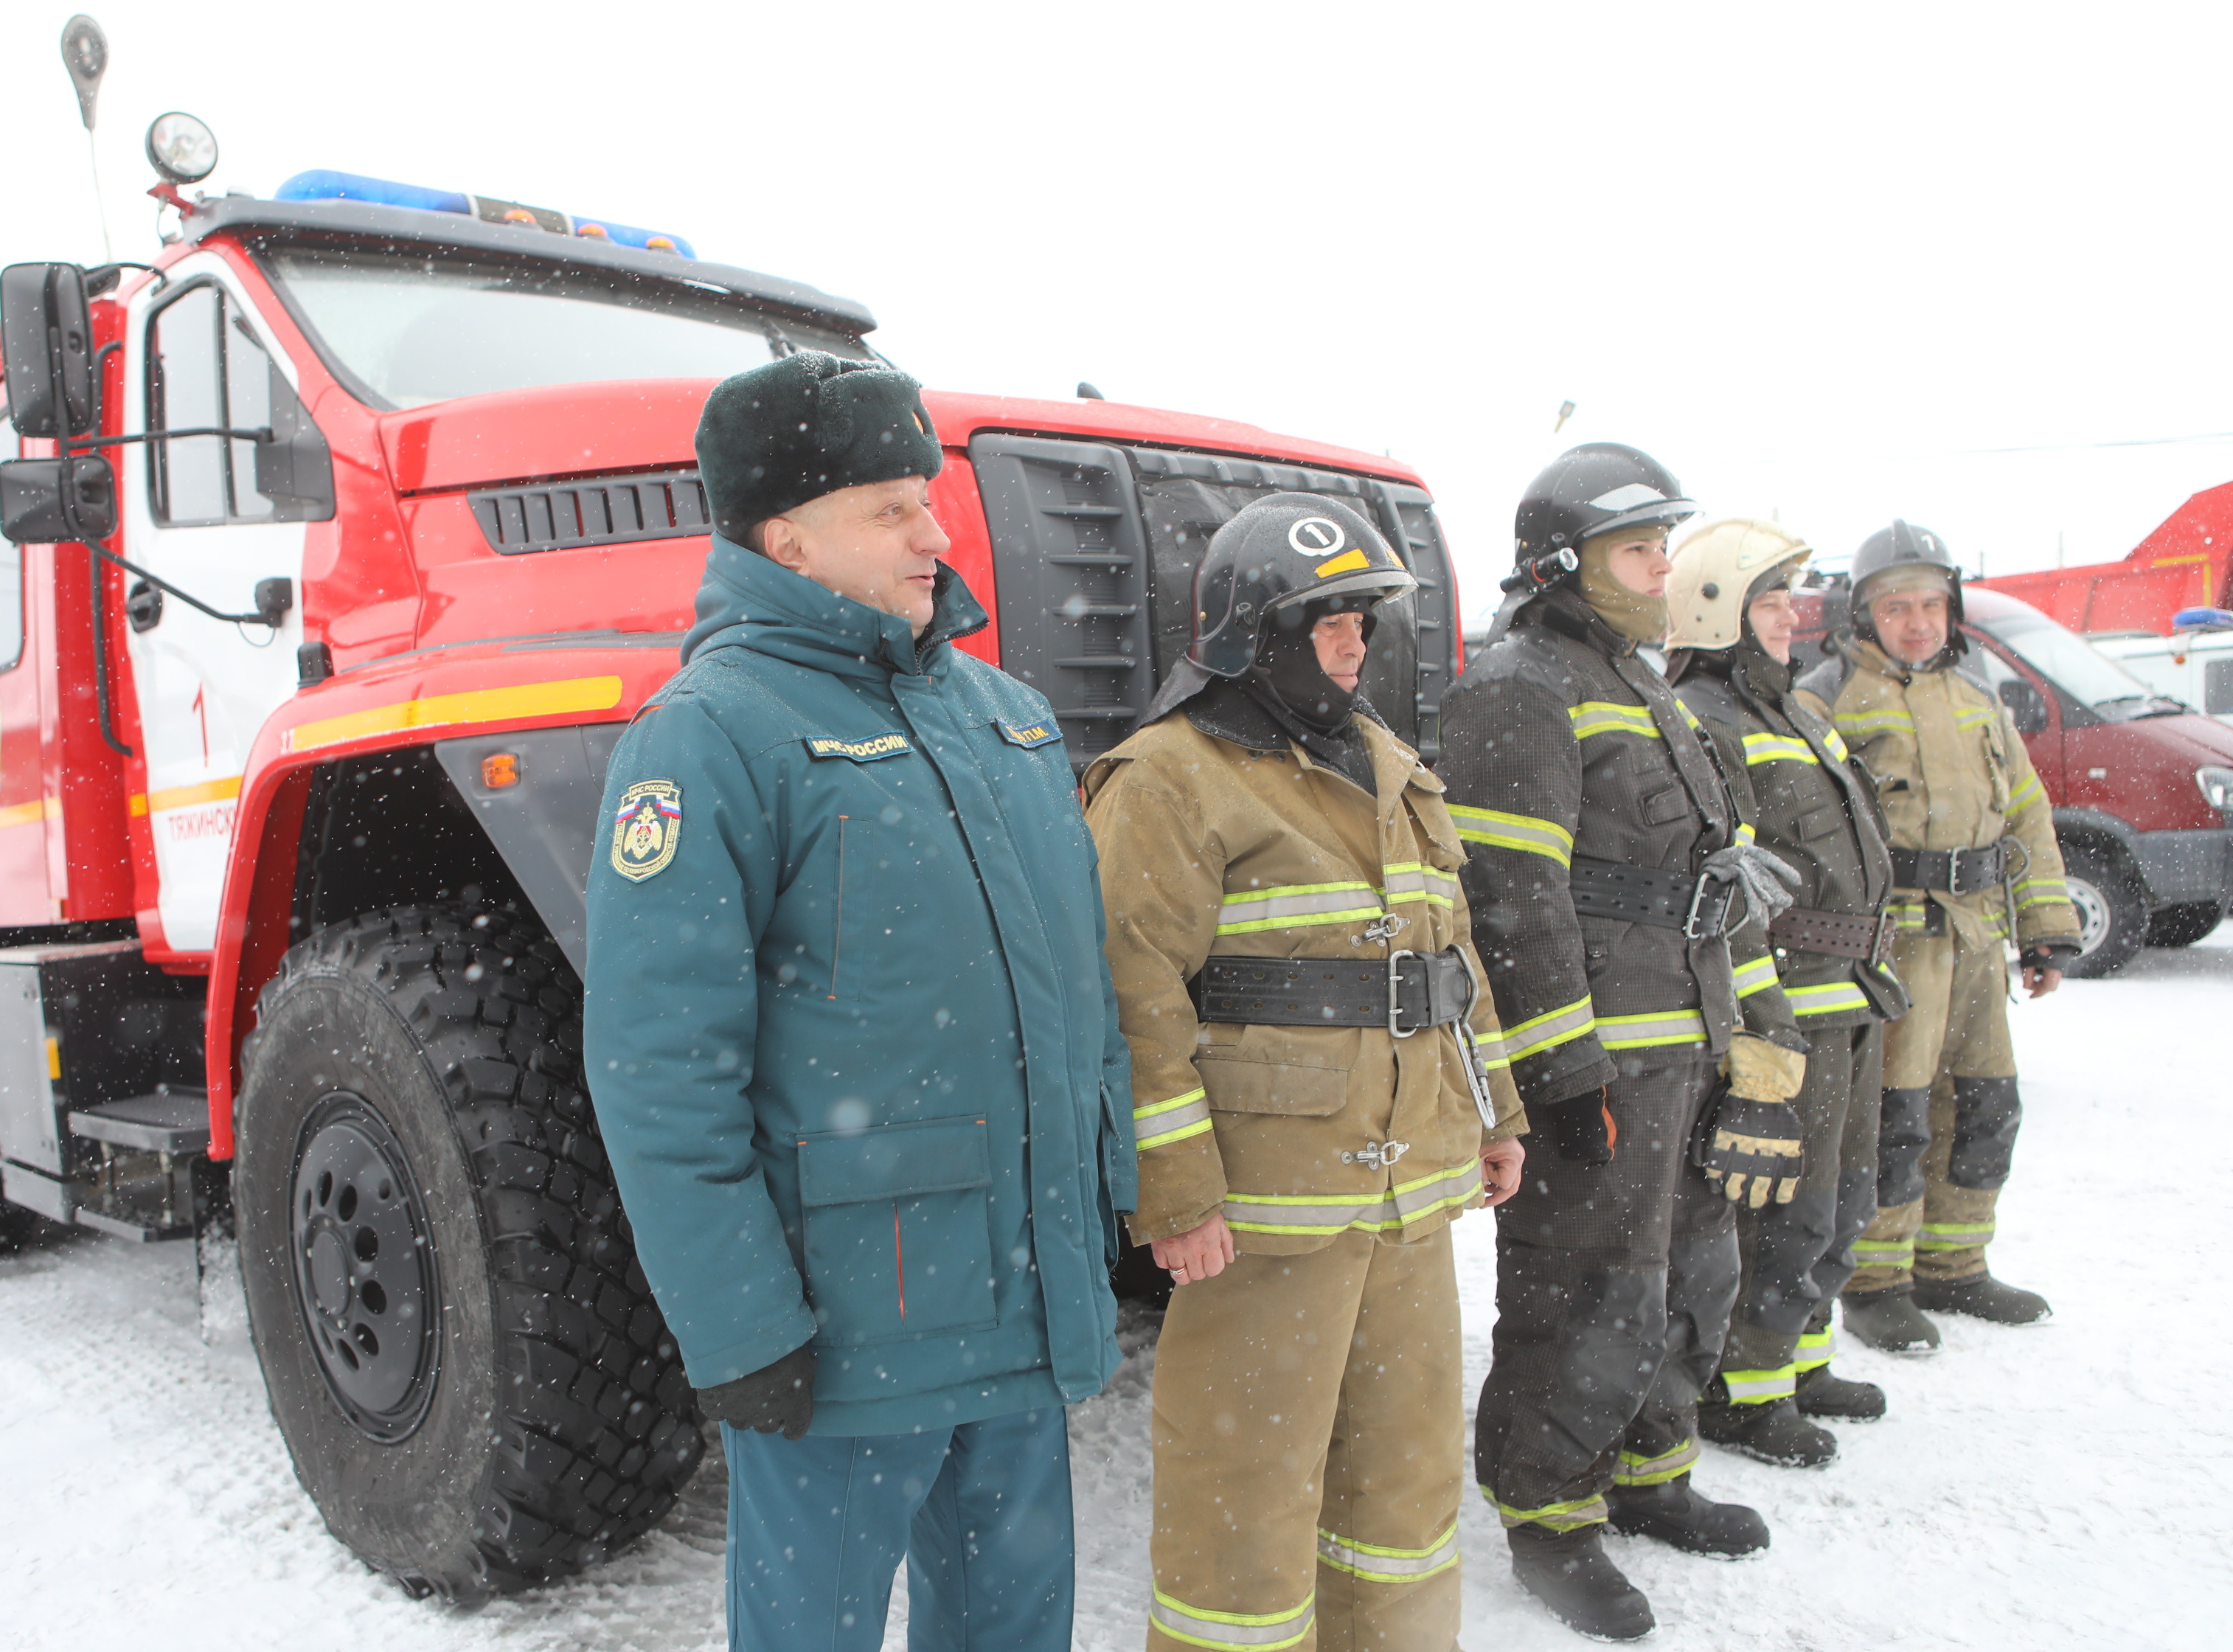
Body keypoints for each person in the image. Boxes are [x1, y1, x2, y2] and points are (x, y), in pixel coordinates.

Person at [582, 353, 1135, 1652]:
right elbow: (660, 1072)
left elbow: (1083, 996)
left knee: (1015, 1632)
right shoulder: (708, 736)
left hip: (1021, 1305)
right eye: (892, 509)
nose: (934, 535)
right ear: (788, 537)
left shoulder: (1007, 719)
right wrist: (741, 1329)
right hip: (844, 1341)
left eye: (926, 501)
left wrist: (1108, 1193)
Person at [1083, 495, 1529, 1652]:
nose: (1354, 642)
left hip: (1410, 1198)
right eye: (1328, 619)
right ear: (1254, 630)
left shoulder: (1388, 763)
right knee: (1241, 1496)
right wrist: (1174, 1197)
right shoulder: (1168, 778)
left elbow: (1450, 962)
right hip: (1265, 1211)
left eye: (1364, 620)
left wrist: (1495, 1113)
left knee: (1405, 1492)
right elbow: (1132, 1002)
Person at [1440, 444, 1810, 1642]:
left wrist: (1753, 1036)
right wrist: (1561, 1076)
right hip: (1602, 1065)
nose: (1664, 569)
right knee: (1588, 1290)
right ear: (1565, 564)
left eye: (1663, 546)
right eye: (1639, 549)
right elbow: (1512, 901)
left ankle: (1653, 1474)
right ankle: (1550, 1514)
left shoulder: (1644, 686)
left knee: (1694, 1274)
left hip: (1689, 1047)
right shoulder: (1522, 686)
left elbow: (1713, 882)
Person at [1665, 518, 1909, 1469]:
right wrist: (1755, 1022)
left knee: (1844, 1195)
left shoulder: (1796, 710)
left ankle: (1803, 1361)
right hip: (1788, 998)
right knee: (1779, 1205)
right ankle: (1745, 1389)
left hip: (1851, 991)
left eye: (1789, 600)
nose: (1789, 618)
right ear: (1715, 610)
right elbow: (1726, 884)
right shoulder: (1706, 717)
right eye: (1769, 602)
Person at [1800, 521, 2080, 1350]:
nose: (1918, 622)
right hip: (1893, 948)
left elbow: (2027, 814)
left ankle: (1955, 1264)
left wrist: (2046, 929)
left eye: (1931, 604)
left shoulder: (1976, 699)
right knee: (1895, 1116)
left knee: (1986, 1104)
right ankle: (1876, 1279)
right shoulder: (1824, 699)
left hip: (1977, 939)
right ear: (1865, 613)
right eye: (1897, 607)